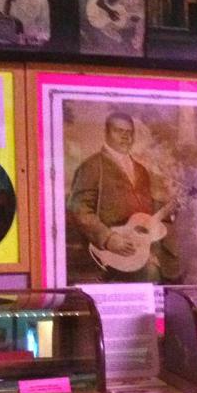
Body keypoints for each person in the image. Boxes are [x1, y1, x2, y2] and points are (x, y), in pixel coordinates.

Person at [67, 111, 179, 283]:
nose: (126, 137)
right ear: (106, 133)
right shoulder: (91, 166)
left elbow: (145, 206)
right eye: (119, 131)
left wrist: (169, 209)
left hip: (140, 246)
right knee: (151, 274)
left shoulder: (141, 170)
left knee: (174, 271)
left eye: (129, 132)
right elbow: (79, 209)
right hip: (109, 252)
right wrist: (108, 238)